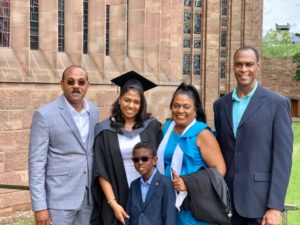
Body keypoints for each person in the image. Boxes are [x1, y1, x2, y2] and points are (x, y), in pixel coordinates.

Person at [213, 46, 293, 225]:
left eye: (249, 64)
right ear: (232, 67)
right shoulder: (220, 106)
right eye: (239, 64)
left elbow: (282, 159)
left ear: (258, 66)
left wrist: (274, 206)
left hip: (260, 204)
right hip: (227, 203)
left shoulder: (277, 104)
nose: (243, 69)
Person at [28, 65, 100, 225]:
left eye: (81, 82)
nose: (76, 86)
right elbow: (36, 163)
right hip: (58, 201)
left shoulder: (94, 112)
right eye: (71, 81)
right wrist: (39, 207)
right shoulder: (44, 114)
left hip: (87, 199)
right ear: (62, 84)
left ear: (87, 85)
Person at [91, 71, 162, 225]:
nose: (131, 105)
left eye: (136, 102)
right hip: (117, 196)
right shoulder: (105, 130)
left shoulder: (152, 127)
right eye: (127, 100)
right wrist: (113, 204)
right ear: (120, 99)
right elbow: (101, 171)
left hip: (147, 196)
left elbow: (160, 164)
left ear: (142, 104)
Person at [156, 82, 226, 225]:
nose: (180, 110)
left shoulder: (202, 134)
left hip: (194, 207)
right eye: (176, 105)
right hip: (169, 203)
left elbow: (220, 170)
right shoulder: (167, 128)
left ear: (195, 110)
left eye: (186, 106)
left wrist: (188, 183)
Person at [125, 141, 177, 225]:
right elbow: (129, 216)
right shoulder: (134, 185)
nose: (140, 162)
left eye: (144, 159)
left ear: (154, 160)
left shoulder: (165, 184)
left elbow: (169, 218)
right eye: (136, 159)